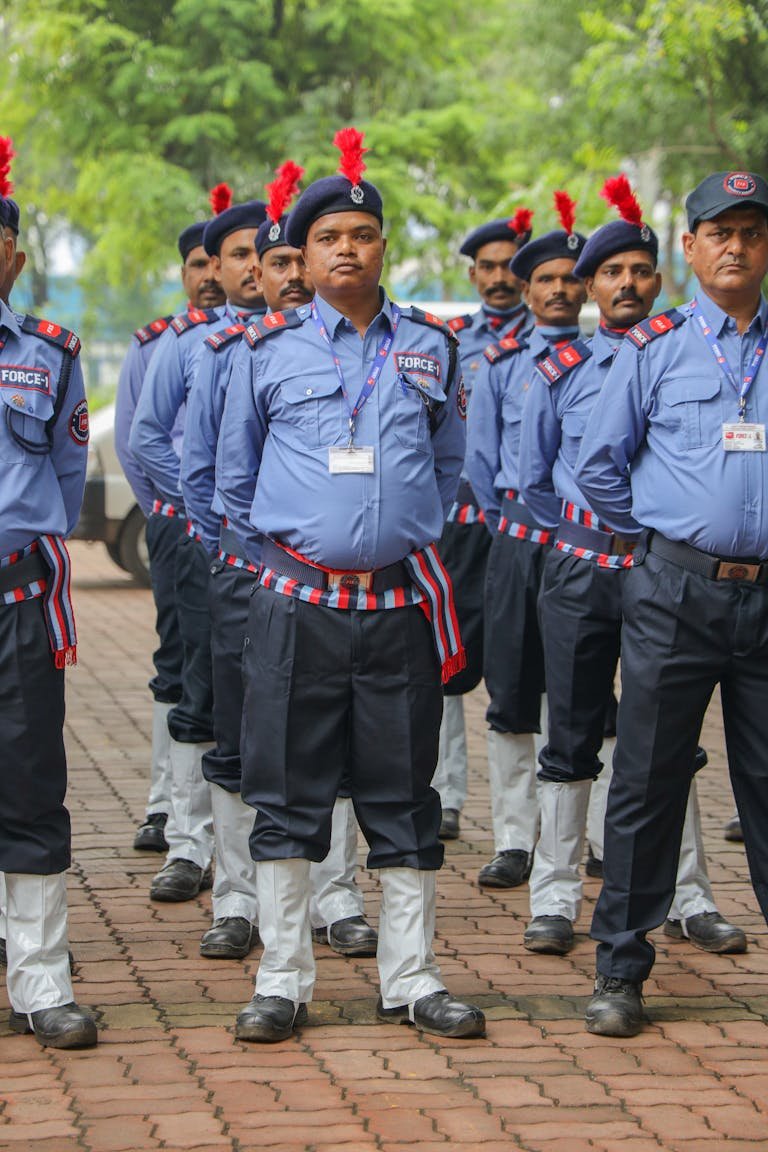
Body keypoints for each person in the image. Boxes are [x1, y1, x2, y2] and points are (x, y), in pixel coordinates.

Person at [216, 127, 485, 1042]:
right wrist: (300, 557)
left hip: (398, 613)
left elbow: (449, 464)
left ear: (382, 247)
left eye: (361, 236)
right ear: (306, 251)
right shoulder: (266, 348)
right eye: (327, 237)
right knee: (287, 796)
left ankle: (410, 978)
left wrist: (390, 528)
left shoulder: (431, 349)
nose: (345, 250)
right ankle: (284, 979)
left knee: (403, 795)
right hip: (297, 612)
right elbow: (230, 484)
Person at [518, 175, 746, 958]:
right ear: (591, 285)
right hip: (588, 567)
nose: (626, 284)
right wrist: (619, 534)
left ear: (659, 276)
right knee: (573, 734)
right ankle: (553, 894)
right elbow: (530, 480)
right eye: (610, 272)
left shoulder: (686, 348)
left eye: (638, 272)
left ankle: (689, 894)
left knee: (663, 747)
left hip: (672, 575)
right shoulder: (564, 366)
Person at [575, 170, 768, 1038]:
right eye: (717, 231)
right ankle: (620, 967)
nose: (736, 245)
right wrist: (663, 543)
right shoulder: (653, 348)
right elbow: (599, 467)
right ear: (687, 248)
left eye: (752, 232)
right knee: (647, 778)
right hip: (673, 592)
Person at [181, 162, 377, 960]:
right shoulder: (233, 351)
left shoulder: (353, 347)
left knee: (338, 740)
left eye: (304, 259)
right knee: (241, 738)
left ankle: (338, 892)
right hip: (248, 578)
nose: (297, 275)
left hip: (339, 587)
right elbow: (204, 476)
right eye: (283, 263)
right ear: (256, 274)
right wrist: (246, 560)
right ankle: (235, 896)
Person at [130, 191, 267, 902]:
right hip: (201, 540)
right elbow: (145, 437)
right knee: (196, 683)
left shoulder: (301, 338)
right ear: (216, 264)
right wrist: (190, 514)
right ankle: (187, 843)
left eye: (262, 253)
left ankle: (276, 863)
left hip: (279, 557)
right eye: (238, 254)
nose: (249, 267)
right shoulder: (184, 344)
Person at [0, 140, 97, 1047]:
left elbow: (68, 476)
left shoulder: (50, 353)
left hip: (15, 605)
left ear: (14, 257)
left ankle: (39, 983)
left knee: (29, 787)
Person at [466, 193, 586, 889]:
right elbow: (480, 465)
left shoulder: (608, 360)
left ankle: (584, 835)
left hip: (584, 550)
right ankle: (515, 839)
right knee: (511, 690)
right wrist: (511, 528)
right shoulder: (501, 363)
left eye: (572, 277)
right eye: (545, 278)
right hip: (514, 544)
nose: (559, 289)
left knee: (586, 693)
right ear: (528, 288)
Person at [115, 215, 224, 854]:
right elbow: (136, 440)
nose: (209, 277)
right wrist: (170, 509)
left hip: (245, 535)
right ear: (183, 274)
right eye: (198, 266)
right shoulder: (158, 343)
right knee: (178, 661)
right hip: (179, 524)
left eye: (220, 263)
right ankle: (166, 805)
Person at [434, 211, 535, 840]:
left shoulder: (550, 345)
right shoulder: (446, 341)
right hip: (452, 527)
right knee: (441, 660)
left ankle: (525, 823)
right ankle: (443, 793)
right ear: (473, 274)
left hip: (517, 532)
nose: (500, 278)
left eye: (509, 266)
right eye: (488, 268)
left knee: (520, 667)